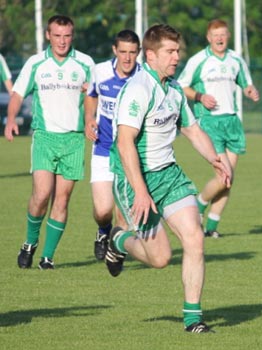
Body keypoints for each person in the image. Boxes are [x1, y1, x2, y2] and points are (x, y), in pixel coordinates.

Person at [106, 24, 231, 333]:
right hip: (137, 179)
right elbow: (124, 143)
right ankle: (118, 239)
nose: (177, 57)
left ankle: (193, 320)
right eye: (170, 52)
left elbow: (191, 129)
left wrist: (215, 159)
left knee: (194, 239)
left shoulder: (174, 90)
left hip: (169, 176)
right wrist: (140, 191)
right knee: (160, 258)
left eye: (178, 51)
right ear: (151, 55)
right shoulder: (138, 90)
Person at [5, 15, 95, 270]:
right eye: (57, 35)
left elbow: (97, 95)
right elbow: (18, 93)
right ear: (48, 36)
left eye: (66, 36)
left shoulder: (86, 63)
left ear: (72, 36)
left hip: (74, 140)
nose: (62, 41)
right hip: (44, 136)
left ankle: (47, 257)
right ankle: (29, 243)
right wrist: (11, 118)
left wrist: (91, 103)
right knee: (42, 194)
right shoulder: (36, 63)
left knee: (62, 199)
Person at [178, 19, 259, 238]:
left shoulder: (236, 60)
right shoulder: (199, 60)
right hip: (210, 122)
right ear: (209, 38)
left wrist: (250, 91)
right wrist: (200, 96)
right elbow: (182, 85)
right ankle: (198, 205)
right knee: (225, 175)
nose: (220, 38)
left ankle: (211, 228)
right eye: (216, 35)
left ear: (228, 36)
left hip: (232, 122)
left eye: (223, 34)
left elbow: (246, 83)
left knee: (228, 181)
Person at [84, 29, 141, 260]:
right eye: (123, 52)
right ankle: (103, 231)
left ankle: (116, 253)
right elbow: (91, 94)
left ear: (139, 53)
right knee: (102, 210)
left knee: (123, 212)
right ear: (114, 51)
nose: (127, 58)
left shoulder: (144, 77)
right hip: (103, 148)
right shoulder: (100, 71)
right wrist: (89, 118)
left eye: (133, 53)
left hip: (130, 152)